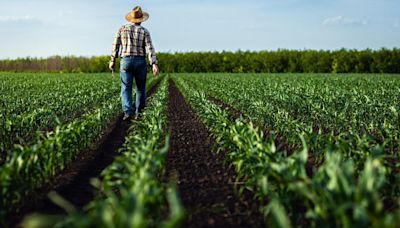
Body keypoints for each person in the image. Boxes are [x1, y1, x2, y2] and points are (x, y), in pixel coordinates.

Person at [109, 6, 159, 121]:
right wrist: (154, 64)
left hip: (126, 61)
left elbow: (115, 45)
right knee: (140, 88)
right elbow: (150, 48)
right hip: (140, 61)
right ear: (141, 19)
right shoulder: (144, 31)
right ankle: (139, 113)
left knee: (126, 88)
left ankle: (128, 113)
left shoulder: (122, 29)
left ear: (130, 19)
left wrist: (112, 60)